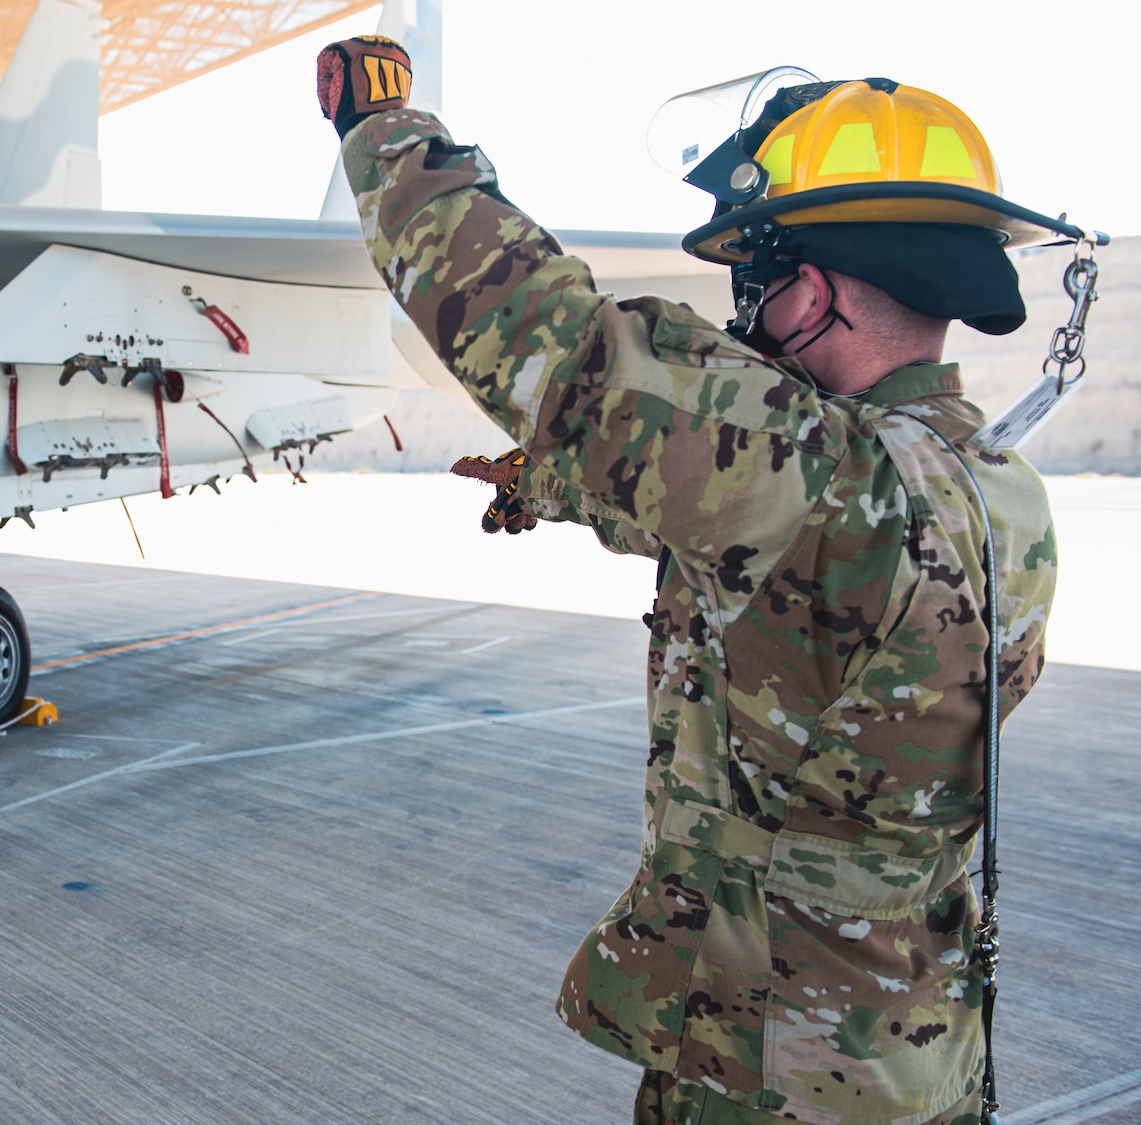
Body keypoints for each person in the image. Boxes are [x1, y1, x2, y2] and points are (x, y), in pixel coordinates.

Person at [317, 39, 1076, 1124]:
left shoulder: (821, 475)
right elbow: (783, 579)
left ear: (807, 294)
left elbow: (551, 341)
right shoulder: (998, 493)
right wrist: (565, 487)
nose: (742, 323)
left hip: (769, 1060)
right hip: (913, 1047)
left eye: (753, 290)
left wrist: (383, 136)